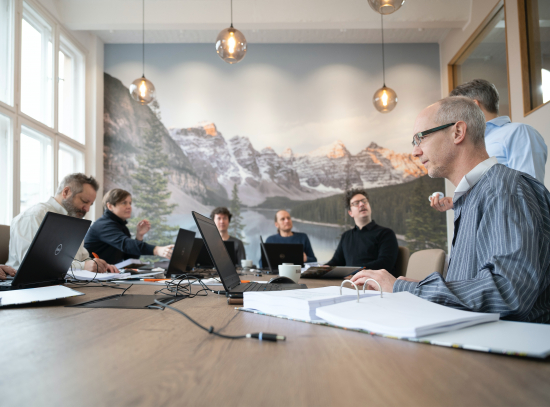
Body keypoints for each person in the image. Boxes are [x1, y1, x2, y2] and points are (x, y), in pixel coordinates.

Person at [352, 96, 550, 323]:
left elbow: (508, 292)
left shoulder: (504, 191)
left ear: (457, 132)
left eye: (421, 138)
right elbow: (475, 287)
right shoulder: (475, 195)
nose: (415, 152)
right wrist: (414, 288)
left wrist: (404, 288)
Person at [431, 79, 547, 211]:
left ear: (474, 106)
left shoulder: (519, 132)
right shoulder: (471, 142)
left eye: (456, 110)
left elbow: (529, 193)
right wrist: (456, 202)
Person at [7, 173, 118, 273]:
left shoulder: (73, 221)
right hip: (26, 287)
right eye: (84, 201)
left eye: (90, 204)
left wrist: (99, 265)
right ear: (66, 192)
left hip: (64, 283)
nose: (87, 209)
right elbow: (32, 264)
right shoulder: (34, 216)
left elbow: (83, 258)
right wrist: (83, 266)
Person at [84, 189, 174, 265]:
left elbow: (129, 257)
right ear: (110, 206)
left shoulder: (121, 226)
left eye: (130, 203)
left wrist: (139, 236)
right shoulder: (103, 225)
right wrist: (157, 250)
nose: (129, 207)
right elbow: (126, 244)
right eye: (124, 203)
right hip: (90, 277)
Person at [326, 189, 399, 276]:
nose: (362, 204)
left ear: (369, 206)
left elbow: (385, 264)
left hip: (374, 285)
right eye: (356, 203)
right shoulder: (346, 236)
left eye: (364, 201)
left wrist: (355, 271)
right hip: (350, 283)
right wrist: (323, 268)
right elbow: (337, 261)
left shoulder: (386, 233)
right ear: (350, 213)